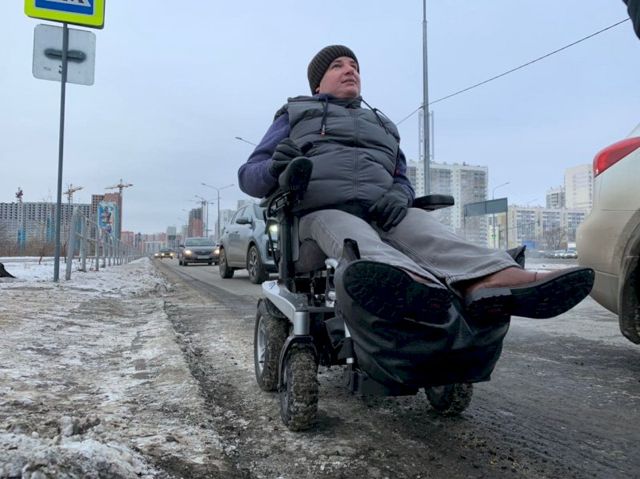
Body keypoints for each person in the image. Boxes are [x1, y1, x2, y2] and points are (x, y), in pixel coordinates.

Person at [238, 44, 594, 323]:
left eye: (355, 66)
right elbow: (248, 174)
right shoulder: (295, 115)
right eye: (338, 66)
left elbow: (401, 179)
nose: (350, 70)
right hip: (318, 216)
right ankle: (415, 287)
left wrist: (399, 195)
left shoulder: (383, 126)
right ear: (318, 83)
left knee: (425, 226)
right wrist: (276, 168)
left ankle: (492, 277)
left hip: (381, 213)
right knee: (353, 234)